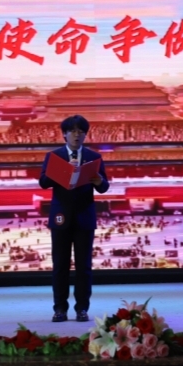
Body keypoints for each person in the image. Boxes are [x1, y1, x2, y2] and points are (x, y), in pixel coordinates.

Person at [39, 114, 109, 322]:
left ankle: (82, 309)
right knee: (60, 266)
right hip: (61, 216)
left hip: (84, 217)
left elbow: (104, 187)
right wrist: (58, 173)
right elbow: (43, 182)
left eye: (81, 131)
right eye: (72, 131)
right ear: (64, 134)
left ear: (85, 135)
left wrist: (99, 181)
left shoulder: (94, 157)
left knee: (83, 267)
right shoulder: (54, 156)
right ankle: (60, 309)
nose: (77, 135)